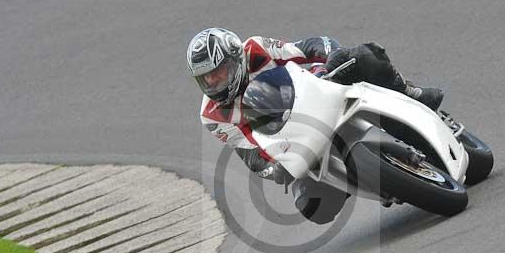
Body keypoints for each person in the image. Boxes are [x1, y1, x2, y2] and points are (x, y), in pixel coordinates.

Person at [187, 27, 446, 224]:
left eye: (219, 72)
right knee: (314, 208)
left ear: (235, 59)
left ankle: (410, 93)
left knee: (366, 56)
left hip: (316, 95)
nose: (214, 83)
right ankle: (359, 179)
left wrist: (327, 65)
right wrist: (275, 169)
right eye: (206, 79)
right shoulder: (212, 115)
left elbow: (311, 47)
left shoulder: (255, 49)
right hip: (293, 138)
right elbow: (250, 153)